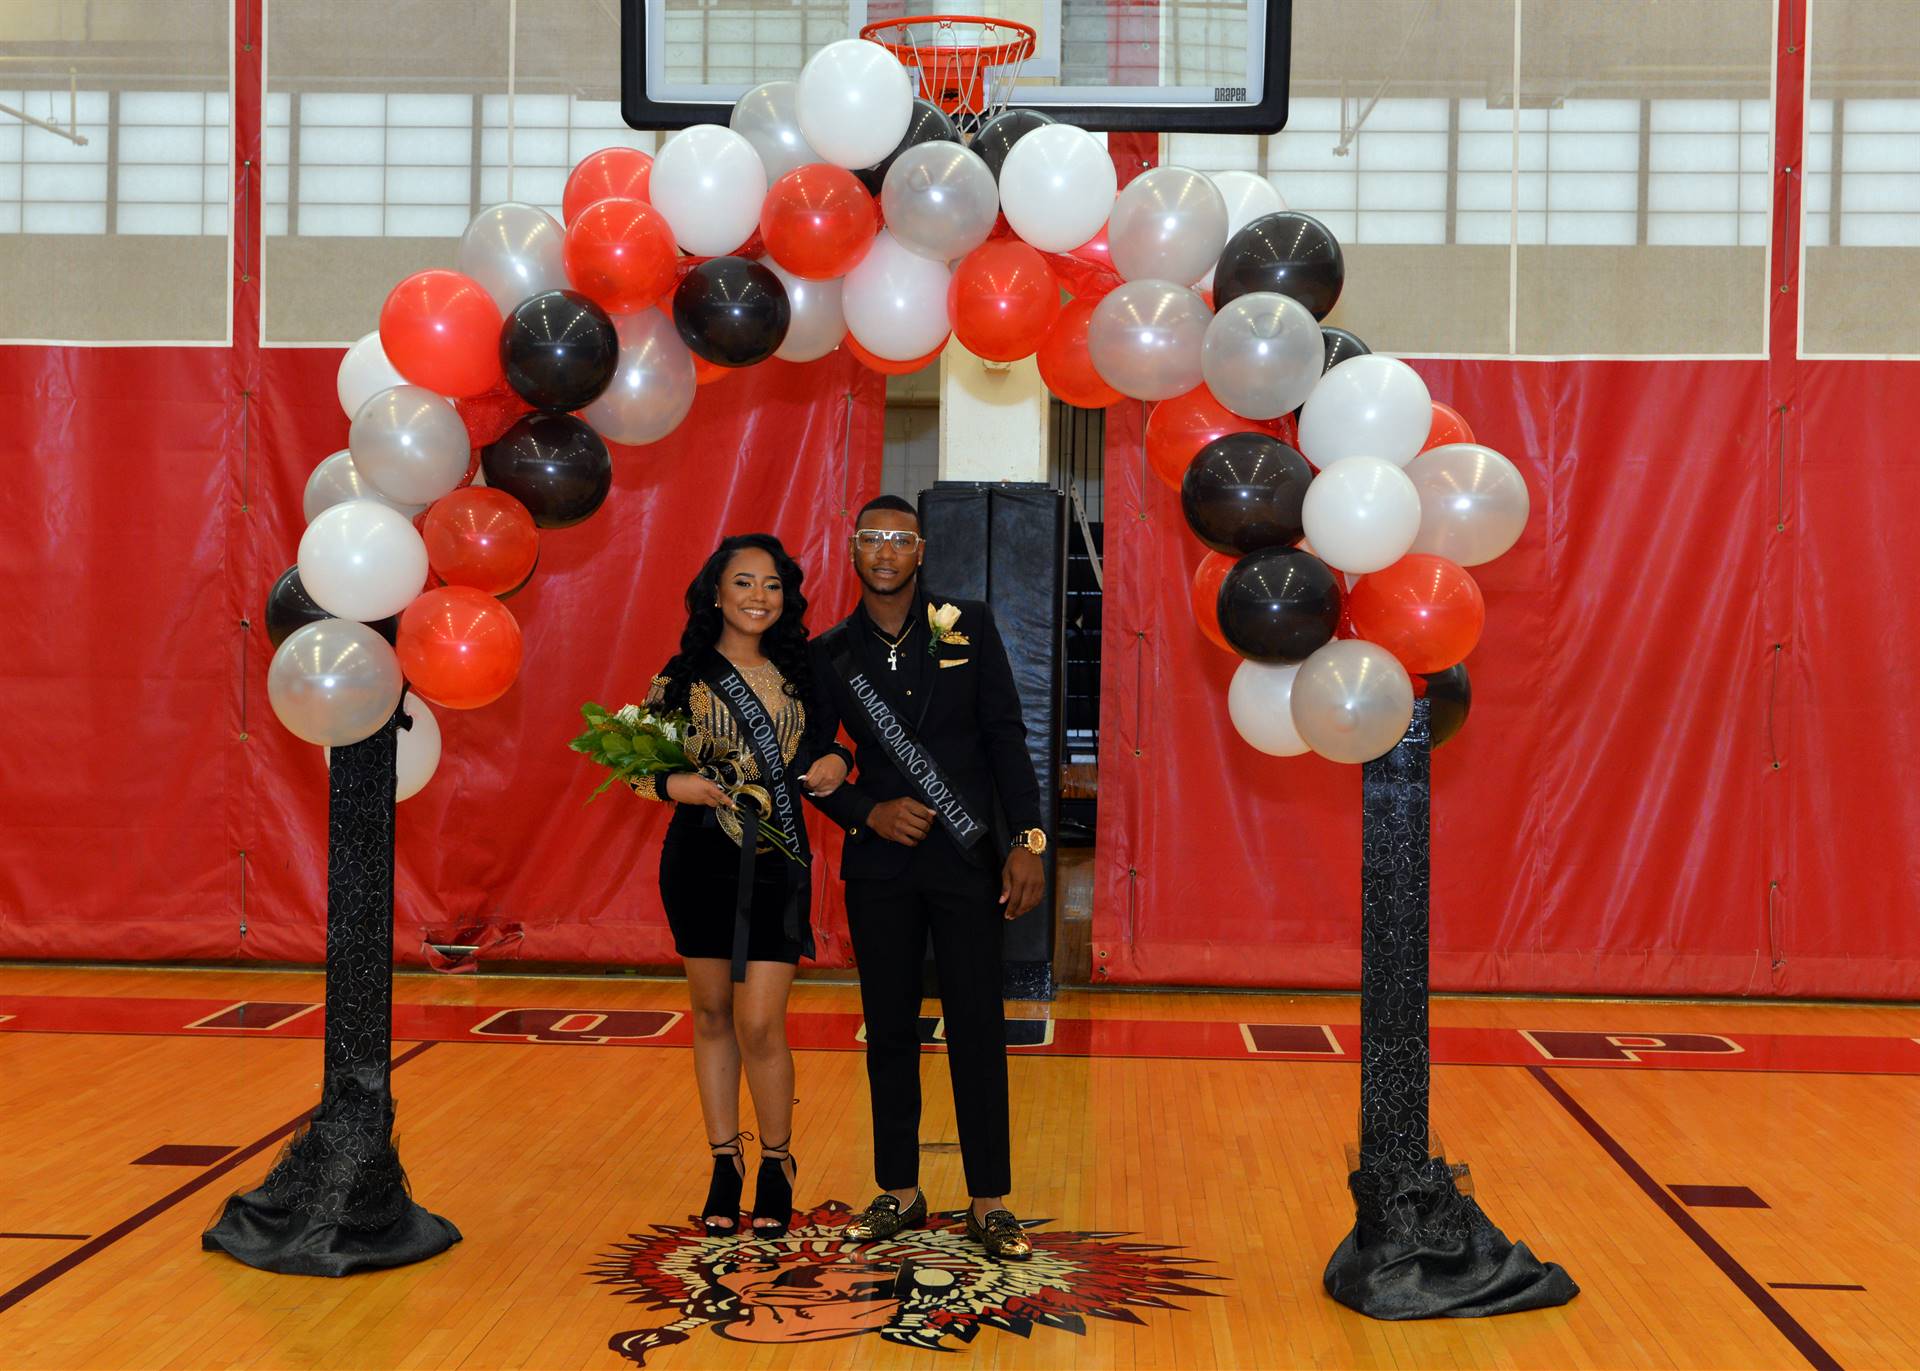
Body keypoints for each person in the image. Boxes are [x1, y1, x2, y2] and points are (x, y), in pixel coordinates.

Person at [805, 495, 1048, 1260]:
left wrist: (1030, 841)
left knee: (978, 1026)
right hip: (880, 866)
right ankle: (900, 1191)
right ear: (852, 550)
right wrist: (865, 812)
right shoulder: (830, 650)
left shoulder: (966, 622)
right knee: (889, 1030)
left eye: (898, 538)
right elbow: (812, 761)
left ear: (919, 550)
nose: (884, 550)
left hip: (969, 860)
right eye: (870, 537)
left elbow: (1007, 735)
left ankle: (989, 1200)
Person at [629, 534, 849, 1239]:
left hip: (779, 861)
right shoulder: (683, 672)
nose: (759, 596)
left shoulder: (803, 671)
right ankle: (726, 1161)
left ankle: (776, 1162)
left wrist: (839, 761)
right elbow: (634, 765)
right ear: (716, 593)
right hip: (697, 860)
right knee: (714, 1012)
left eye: (773, 584)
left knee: (761, 1022)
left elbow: (831, 746)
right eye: (744, 582)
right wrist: (674, 783)